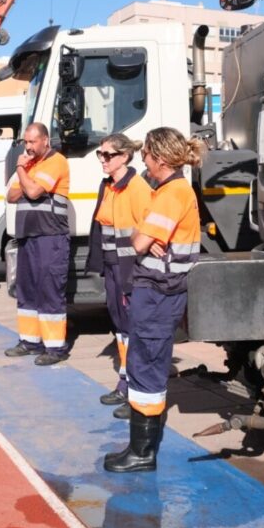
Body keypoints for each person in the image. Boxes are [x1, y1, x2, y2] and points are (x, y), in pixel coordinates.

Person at [104, 127, 204, 473]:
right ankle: (141, 446)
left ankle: (142, 452)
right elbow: (143, 238)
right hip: (161, 290)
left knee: (145, 364)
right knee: (146, 361)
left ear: (159, 159)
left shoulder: (170, 194)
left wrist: (142, 234)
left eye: (145, 154)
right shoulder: (173, 190)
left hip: (158, 291)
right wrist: (143, 234)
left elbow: (138, 243)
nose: (142, 159)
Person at [86, 134, 152, 420]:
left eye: (108, 155)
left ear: (124, 157)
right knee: (121, 329)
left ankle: (135, 389)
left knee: (132, 329)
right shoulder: (109, 186)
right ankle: (125, 384)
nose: (103, 159)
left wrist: (134, 276)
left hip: (130, 271)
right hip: (114, 268)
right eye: (100, 154)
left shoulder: (137, 189)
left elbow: (146, 234)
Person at [4, 123, 72, 366]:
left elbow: (32, 192)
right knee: (27, 289)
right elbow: (10, 196)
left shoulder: (56, 161)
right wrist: (26, 177)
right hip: (28, 236)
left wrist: (21, 170)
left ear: (45, 141)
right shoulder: (30, 165)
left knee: (49, 289)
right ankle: (29, 341)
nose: (28, 147)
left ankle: (55, 348)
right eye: (25, 142)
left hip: (49, 237)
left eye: (33, 142)